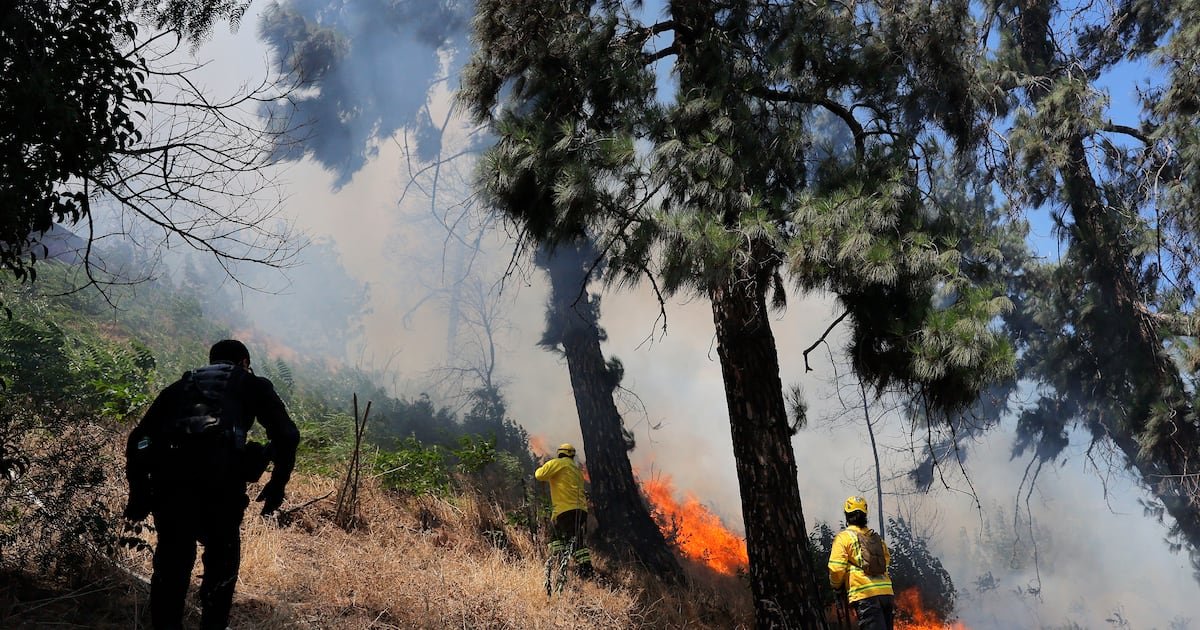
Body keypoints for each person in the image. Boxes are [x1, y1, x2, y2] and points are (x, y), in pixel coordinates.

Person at [124, 339, 300, 630]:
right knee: (221, 568)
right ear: (244, 363)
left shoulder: (179, 387)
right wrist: (277, 484)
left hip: (171, 487)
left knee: (171, 571)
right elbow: (287, 435)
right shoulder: (252, 383)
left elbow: (138, 440)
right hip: (221, 488)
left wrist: (139, 493)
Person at [828, 495, 895, 630]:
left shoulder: (843, 538)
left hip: (866, 595)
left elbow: (836, 569)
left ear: (847, 515)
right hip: (886, 594)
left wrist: (835, 585)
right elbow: (886, 561)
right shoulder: (875, 538)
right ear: (865, 515)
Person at [534, 442, 593, 579]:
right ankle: (562, 561)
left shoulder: (558, 463)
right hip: (580, 510)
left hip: (565, 510)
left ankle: (586, 570)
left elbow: (539, 475)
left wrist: (543, 465)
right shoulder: (577, 470)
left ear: (560, 453)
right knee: (558, 536)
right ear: (572, 456)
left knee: (572, 539)